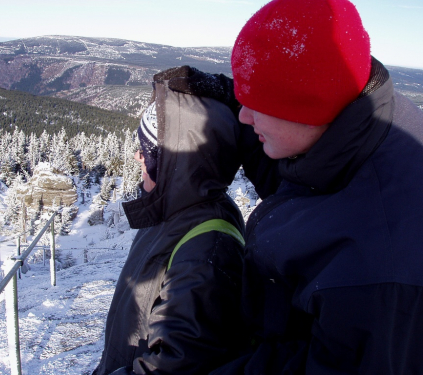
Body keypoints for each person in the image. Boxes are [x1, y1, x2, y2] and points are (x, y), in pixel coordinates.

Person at [162, 0, 423, 373]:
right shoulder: (363, 114)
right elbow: (302, 173)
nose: (243, 115)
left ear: (310, 109)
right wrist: (224, 90)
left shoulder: (376, 276)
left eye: (256, 104)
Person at [93, 70, 250, 375]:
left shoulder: (207, 249)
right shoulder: (172, 212)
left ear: (174, 164)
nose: (138, 157)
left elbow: (176, 364)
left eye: (147, 151)